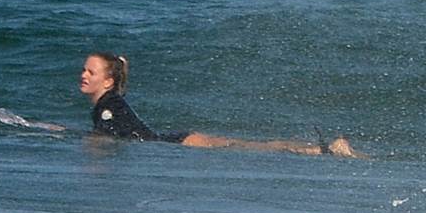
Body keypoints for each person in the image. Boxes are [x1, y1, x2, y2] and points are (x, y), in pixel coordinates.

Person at [77, 53, 359, 156]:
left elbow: (113, 136)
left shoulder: (108, 106)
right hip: (176, 139)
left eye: (91, 72)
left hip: (174, 144)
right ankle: (322, 149)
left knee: (249, 147)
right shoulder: (110, 102)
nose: (84, 75)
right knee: (246, 145)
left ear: (108, 81)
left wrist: (89, 142)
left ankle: (322, 149)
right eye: (84, 70)